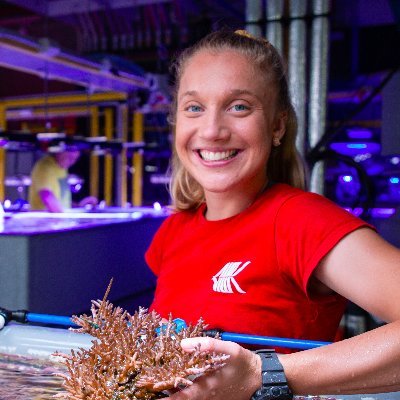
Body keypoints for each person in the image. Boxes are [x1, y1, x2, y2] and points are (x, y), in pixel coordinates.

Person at [144, 29, 400, 399]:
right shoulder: (172, 232)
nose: (212, 130)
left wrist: (262, 373)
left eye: (239, 106)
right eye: (195, 107)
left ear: (277, 125)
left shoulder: (301, 221)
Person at [29, 149, 98, 212]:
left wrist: (79, 206)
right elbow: (47, 198)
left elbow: (61, 201)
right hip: (46, 223)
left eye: (75, 159)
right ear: (60, 152)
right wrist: (65, 217)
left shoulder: (62, 168)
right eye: (70, 158)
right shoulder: (45, 167)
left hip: (59, 221)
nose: (72, 162)